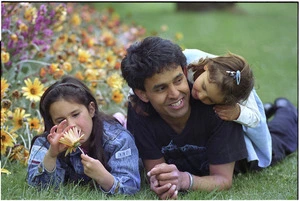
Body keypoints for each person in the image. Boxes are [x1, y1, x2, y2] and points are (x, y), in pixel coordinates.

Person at [121, 36, 248, 199]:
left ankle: (285, 110)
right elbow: (156, 171)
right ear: (142, 94)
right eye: (161, 88)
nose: (174, 94)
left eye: (178, 80)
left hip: (245, 159)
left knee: (282, 136)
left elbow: (223, 179)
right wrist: (160, 181)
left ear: (185, 72)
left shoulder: (215, 105)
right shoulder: (139, 111)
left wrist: (184, 180)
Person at [27, 76, 140, 195]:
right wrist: (51, 155)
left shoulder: (118, 140)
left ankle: (121, 120)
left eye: (75, 114)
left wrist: (104, 178)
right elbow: (37, 189)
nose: (71, 125)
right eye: (61, 120)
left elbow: (130, 186)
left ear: (91, 109)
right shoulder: (47, 143)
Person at [184, 49, 272, 169]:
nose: (201, 96)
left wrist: (237, 112)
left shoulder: (237, 93)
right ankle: (270, 109)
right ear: (207, 67)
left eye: (210, 100)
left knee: (276, 143)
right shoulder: (190, 58)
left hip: (250, 125)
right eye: (204, 86)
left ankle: (286, 110)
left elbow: (256, 119)